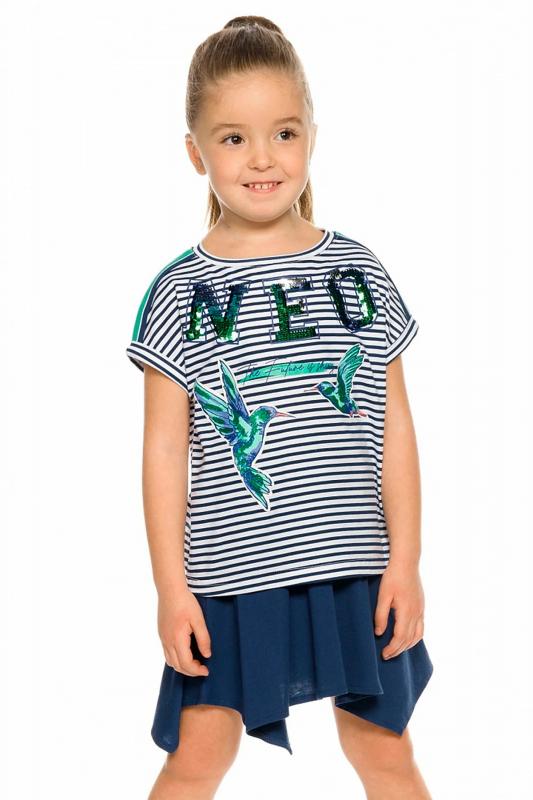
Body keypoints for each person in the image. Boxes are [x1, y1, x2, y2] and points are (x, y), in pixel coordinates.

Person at [125, 14, 434, 800]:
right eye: (233, 138)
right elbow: (164, 452)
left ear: (311, 138)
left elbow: (394, 427)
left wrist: (404, 561)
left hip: (353, 566)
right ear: (195, 151)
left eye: (283, 133)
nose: (261, 158)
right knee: (197, 756)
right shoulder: (178, 292)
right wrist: (171, 589)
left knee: (385, 754)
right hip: (230, 574)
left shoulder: (359, 272)